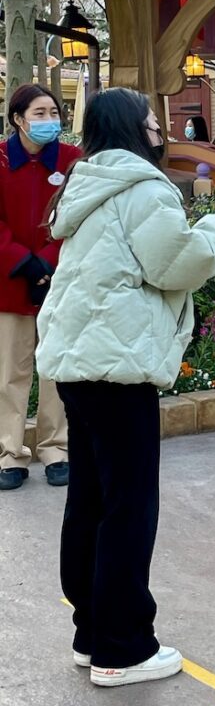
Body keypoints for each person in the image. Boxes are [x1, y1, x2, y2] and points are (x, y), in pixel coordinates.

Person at [36, 87, 215, 687]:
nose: (161, 131)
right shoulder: (141, 186)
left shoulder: (89, 183)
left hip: (77, 365)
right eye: (153, 124)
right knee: (128, 507)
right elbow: (176, 265)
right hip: (119, 367)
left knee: (90, 500)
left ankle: (93, 633)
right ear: (134, 130)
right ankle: (123, 647)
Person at [0, 85, 81, 491]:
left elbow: (77, 214)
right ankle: (9, 454)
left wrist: (47, 262)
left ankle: (56, 449)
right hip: (9, 283)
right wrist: (22, 261)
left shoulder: (72, 161)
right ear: (18, 118)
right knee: (9, 373)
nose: (49, 120)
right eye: (39, 112)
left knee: (55, 371)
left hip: (59, 279)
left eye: (54, 112)